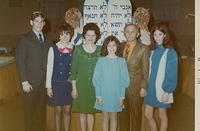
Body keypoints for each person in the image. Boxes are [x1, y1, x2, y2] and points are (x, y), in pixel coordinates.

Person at [16, 11, 53, 131]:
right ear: (31, 22)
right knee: (29, 112)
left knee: (41, 111)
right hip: (30, 83)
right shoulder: (24, 39)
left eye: (41, 21)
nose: (39, 24)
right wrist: (24, 82)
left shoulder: (48, 40)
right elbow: (20, 61)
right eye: (36, 21)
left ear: (44, 23)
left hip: (43, 83)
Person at [144, 23, 178, 131]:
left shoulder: (171, 52)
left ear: (165, 35)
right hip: (150, 88)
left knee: (162, 115)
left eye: (160, 34)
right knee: (148, 114)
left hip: (163, 88)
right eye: (155, 35)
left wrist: (167, 91)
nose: (157, 37)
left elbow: (172, 74)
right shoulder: (151, 51)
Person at [93, 35, 130, 131]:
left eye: (114, 45)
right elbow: (96, 80)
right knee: (105, 117)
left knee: (114, 117)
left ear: (117, 46)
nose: (111, 48)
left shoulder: (121, 61)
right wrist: (98, 95)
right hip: (103, 94)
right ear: (106, 47)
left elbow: (124, 80)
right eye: (109, 45)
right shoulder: (101, 60)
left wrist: (122, 96)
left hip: (116, 94)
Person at [70, 23, 101, 131]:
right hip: (80, 86)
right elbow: (73, 70)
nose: (91, 38)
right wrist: (74, 89)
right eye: (88, 35)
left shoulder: (101, 50)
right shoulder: (78, 49)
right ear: (84, 36)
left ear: (97, 36)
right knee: (82, 112)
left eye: (93, 35)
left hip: (94, 87)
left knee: (91, 112)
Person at [119, 24, 149, 131]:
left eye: (132, 31)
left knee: (136, 116)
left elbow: (146, 70)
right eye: (127, 31)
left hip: (135, 87)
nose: (130, 34)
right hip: (121, 88)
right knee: (122, 116)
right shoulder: (119, 46)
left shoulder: (144, 48)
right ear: (124, 33)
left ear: (138, 34)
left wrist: (144, 87)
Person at [46, 23, 74, 131]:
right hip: (57, 83)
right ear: (59, 36)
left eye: (67, 34)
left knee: (67, 111)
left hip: (69, 84)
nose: (65, 37)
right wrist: (48, 86)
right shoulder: (53, 49)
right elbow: (50, 68)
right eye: (62, 34)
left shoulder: (74, 48)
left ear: (70, 35)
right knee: (58, 111)